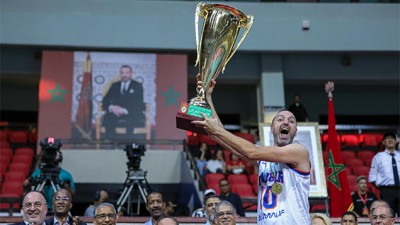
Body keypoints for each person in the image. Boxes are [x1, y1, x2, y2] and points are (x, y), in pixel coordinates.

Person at [192, 74, 311, 224]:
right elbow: (222, 139)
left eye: (291, 121)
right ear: (272, 129)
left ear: (295, 131)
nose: (286, 122)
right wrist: (208, 98)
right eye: (280, 119)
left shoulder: (299, 151)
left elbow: (250, 150)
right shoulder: (264, 159)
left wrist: (216, 131)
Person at [102, 65, 146, 140]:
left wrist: (124, 110)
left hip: (131, 111)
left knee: (132, 119)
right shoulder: (115, 85)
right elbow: (105, 100)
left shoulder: (137, 86)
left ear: (131, 74)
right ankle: (112, 143)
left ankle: (127, 143)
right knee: (108, 117)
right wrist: (112, 108)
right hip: (116, 112)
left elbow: (138, 102)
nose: (124, 75)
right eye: (122, 73)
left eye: (127, 72)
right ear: (120, 74)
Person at [369, 132, 400, 216]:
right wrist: (382, 189)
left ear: (396, 141)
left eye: (392, 138)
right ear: (383, 142)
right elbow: (372, 177)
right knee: (388, 216)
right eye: (387, 138)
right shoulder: (378, 157)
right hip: (387, 191)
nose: (390, 140)